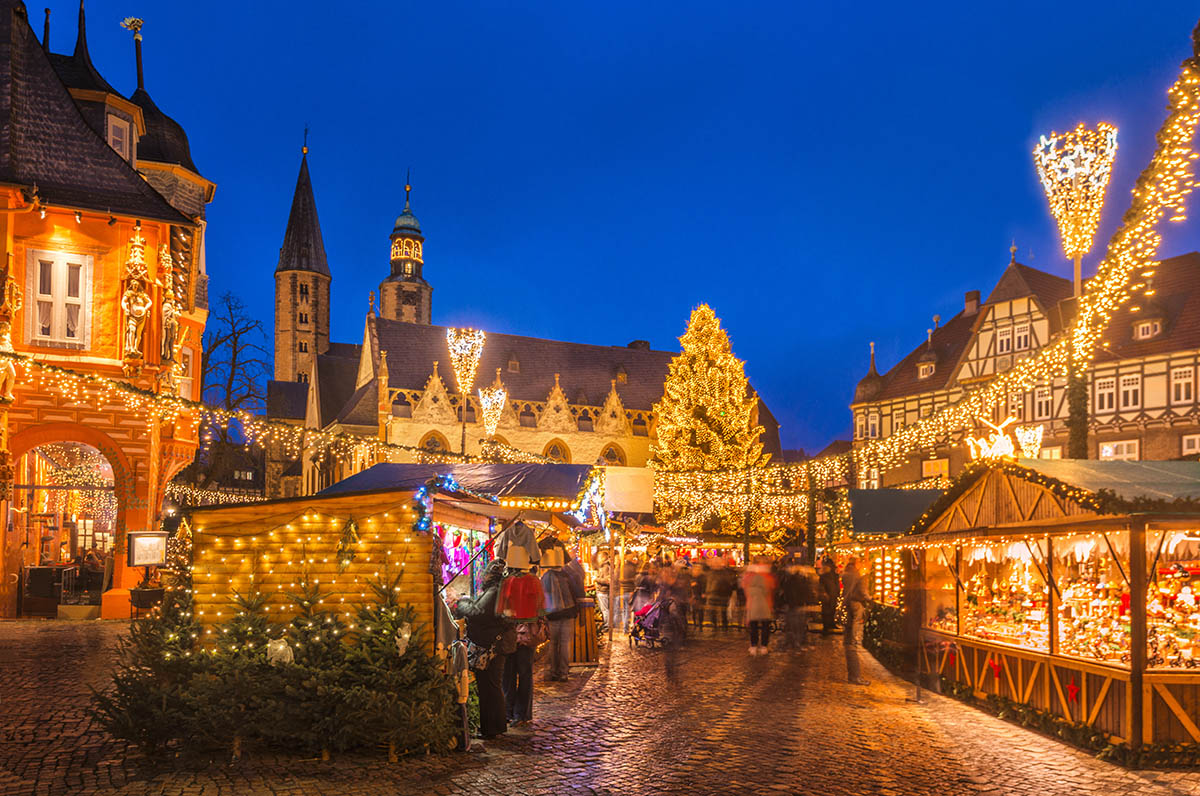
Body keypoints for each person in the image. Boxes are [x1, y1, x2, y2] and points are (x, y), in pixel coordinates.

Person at [455, 559, 512, 739]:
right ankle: (495, 726)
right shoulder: (497, 590)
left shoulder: (494, 591)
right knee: (492, 686)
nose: (484, 576)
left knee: (490, 686)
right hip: (494, 645)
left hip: (490, 647)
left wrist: (462, 603)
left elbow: (478, 612)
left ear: (491, 576)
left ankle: (491, 728)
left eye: (486, 573)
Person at [497, 548, 543, 726]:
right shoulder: (534, 582)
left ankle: (508, 711)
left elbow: (500, 610)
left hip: (510, 633)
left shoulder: (506, 582)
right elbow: (541, 608)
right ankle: (522, 714)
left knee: (508, 673)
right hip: (527, 635)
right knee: (524, 674)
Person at [540, 546, 585, 682]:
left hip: (552, 615)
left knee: (553, 643)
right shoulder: (569, 574)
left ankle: (553, 671)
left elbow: (542, 597)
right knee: (565, 643)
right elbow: (579, 593)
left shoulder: (546, 576)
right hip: (568, 614)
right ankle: (563, 673)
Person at [842, 556, 870, 685]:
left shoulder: (846, 573)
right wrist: (870, 598)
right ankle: (855, 676)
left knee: (849, 640)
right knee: (853, 641)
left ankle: (853, 675)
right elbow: (862, 592)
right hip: (856, 604)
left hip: (848, 604)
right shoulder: (857, 575)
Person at [742, 556, 777, 655]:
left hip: (752, 603)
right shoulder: (768, 576)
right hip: (766, 603)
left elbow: (745, 588)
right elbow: (772, 589)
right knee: (765, 626)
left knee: (754, 626)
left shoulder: (748, 576)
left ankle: (753, 646)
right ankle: (764, 646)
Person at [704, 557, 735, 631]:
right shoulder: (711, 573)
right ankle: (716, 625)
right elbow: (707, 583)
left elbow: (729, 584)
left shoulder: (724, 573)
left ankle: (723, 625)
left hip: (721, 595)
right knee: (713, 612)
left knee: (723, 612)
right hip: (714, 595)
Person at [617, 551, 639, 630]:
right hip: (630, 590)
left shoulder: (622, 567)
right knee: (630, 609)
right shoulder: (633, 567)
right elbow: (635, 580)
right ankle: (629, 626)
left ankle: (625, 627)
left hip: (623, 590)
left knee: (625, 609)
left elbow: (618, 578)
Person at [819, 558, 840, 635]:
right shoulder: (826, 574)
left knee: (831, 610)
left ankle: (829, 625)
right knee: (827, 610)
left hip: (832, 593)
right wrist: (824, 593)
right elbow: (822, 585)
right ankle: (827, 626)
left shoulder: (830, 573)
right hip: (828, 594)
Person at [594, 550, 613, 630]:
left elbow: (608, 580)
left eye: (599, 557)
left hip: (603, 591)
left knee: (605, 609)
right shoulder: (603, 566)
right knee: (604, 609)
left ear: (602, 557)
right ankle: (607, 624)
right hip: (602, 590)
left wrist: (596, 579)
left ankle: (607, 625)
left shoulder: (605, 567)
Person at [689, 563, 707, 627]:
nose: (696, 570)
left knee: (700, 610)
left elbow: (704, 586)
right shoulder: (691, 577)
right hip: (694, 595)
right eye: (695, 569)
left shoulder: (702, 577)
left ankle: (700, 623)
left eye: (698, 569)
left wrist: (703, 593)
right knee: (694, 610)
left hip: (700, 596)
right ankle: (695, 623)